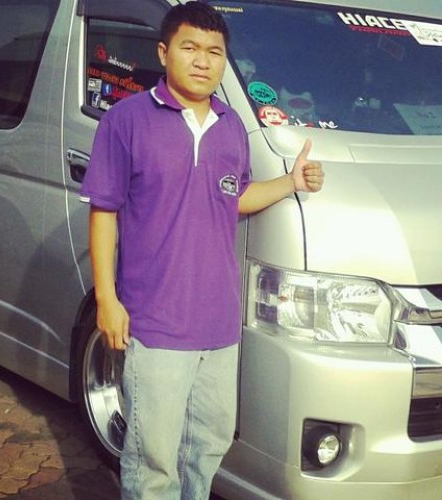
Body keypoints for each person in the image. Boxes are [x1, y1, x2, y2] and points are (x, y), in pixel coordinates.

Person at [80, 2, 324, 499]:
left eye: (214, 51)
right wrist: (107, 299)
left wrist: (290, 182)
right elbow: (104, 213)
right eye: (190, 47)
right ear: (163, 52)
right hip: (155, 321)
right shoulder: (126, 121)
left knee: (207, 447)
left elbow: (234, 196)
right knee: (153, 458)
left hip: (218, 325)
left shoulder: (231, 125)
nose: (202, 60)